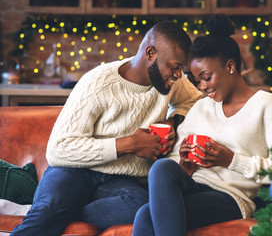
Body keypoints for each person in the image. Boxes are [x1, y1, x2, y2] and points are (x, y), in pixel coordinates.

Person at [11, 20, 202, 235]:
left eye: (181, 69)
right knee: (46, 211)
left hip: (122, 181)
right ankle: (59, 208)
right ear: (150, 53)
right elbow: (58, 149)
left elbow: (195, 101)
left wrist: (173, 121)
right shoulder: (97, 83)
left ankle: (67, 209)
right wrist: (130, 144)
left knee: (144, 207)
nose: (179, 75)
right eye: (175, 67)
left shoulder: (172, 82)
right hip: (75, 171)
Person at [132, 14, 272, 236]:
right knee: (162, 167)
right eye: (197, 80)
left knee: (145, 216)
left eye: (206, 77)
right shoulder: (202, 107)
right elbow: (174, 165)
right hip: (193, 186)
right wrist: (183, 162)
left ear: (230, 66)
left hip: (231, 197)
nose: (202, 87)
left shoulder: (266, 105)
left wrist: (232, 160)